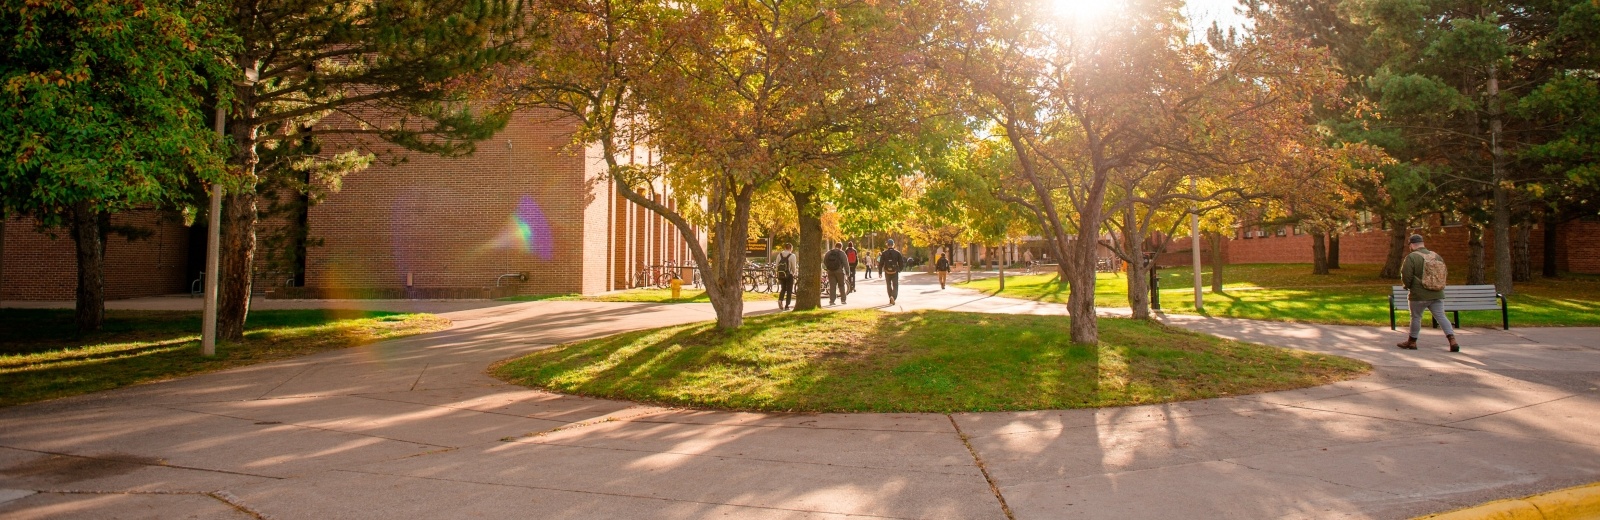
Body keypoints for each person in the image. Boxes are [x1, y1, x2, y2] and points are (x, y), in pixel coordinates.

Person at [1397, 234, 1459, 352]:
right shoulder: (1436, 256)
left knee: (1416, 317)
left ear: (1411, 245)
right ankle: (1452, 340)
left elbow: (1407, 275)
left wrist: (1408, 286)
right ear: (1422, 243)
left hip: (1419, 294)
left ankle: (1412, 342)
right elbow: (1443, 273)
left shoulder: (1412, 257)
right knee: (1441, 316)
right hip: (1437, 293)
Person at [879, 239, 906, 305]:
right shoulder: (897, 253)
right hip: (895, 271)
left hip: (887, 271)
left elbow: (881, 263)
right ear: (893, 245)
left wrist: (880, 272)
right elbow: (901, 263)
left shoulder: (884, 253)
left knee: (888, 285)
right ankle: (893, 296)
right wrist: (899, 270)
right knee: (895, 285)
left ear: (887, 245)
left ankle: (890, 296)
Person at [775, 243, 797, 310]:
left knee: (783, 288)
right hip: (789, 274)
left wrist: (778, 272)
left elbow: (777, 265)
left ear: (785, 248)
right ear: (791, 248)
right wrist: (793, 272)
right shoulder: (792, 255)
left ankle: (780, 300)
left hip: (781, 274)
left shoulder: (779, 255)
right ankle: (787, 305)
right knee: (789, 290)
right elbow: (793, 266)